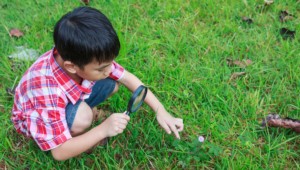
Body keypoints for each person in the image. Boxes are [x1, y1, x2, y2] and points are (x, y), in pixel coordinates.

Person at [11, 6, 184, 161]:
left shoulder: (86, 56)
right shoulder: (48, 90)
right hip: (39, 118)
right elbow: (58, 152)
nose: (109, 70)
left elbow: (127, 78)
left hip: (67, 95)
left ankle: (86, 114)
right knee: (83, 118)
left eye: (111, 63)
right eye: (101, 68)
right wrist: (103, 130)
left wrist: (161, 111)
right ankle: (81, 134)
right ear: (71, 66)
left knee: (111, 83)